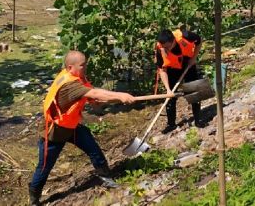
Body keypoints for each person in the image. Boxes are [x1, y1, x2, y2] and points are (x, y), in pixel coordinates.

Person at [28, 50, 136, 206]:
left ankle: (106, 177)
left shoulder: (77, 76)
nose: (85, 67)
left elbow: (93, 96)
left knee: (93, 148)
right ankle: (34, 199)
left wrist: (99, 101)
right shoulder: (69, 85)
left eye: (85, 64)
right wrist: (120, 95)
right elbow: (95, 92)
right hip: (55, 132)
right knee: (44, 167)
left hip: (71, 127)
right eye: (82, 65)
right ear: (71, 67)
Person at [155, 28, 204, 134]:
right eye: (164, 47)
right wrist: (168, 90)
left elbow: (199, 41)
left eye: (167, 47)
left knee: (193, 90)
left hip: (188, 64)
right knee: (170, 98)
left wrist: (194, 58)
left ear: (173, 41)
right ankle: (171, 124)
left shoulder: (185, 35)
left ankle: (198, 120)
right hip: (173, 68)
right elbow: (162, 70)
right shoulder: (160, 48)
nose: (166, 50)